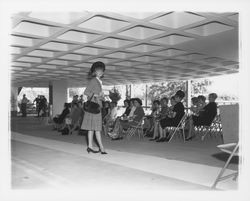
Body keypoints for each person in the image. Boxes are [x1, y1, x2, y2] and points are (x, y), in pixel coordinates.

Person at [81, 61, 107, 154]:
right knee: (97, 128)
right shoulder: (94, 80)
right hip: (94, 107)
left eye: (102, 71)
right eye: (98, 70)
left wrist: (102, 97)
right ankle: (102, 148)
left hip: (96, 106)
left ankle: (90, 146)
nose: (100, 72)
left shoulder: (99, 81)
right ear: (94, 72)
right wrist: (96, 94)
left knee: (91, 128)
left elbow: (97, 95)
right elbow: (86, 92)